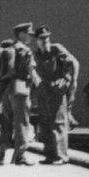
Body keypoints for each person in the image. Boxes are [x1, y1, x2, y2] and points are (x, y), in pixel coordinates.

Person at [0, 22, 40, 165]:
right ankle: (20, 155)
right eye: (29, 34)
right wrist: (39, 84)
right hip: (20, 89)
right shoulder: (25, 50)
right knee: (22, 122)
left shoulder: (6, 49)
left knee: (6, 122)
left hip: (7, 88)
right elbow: (31, 70)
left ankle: (2, 155)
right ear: (21, 34)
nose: (31, 38)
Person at [32, 26, 76, 164]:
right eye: (41, 38)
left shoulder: (57, 49)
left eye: (47, 38)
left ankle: (61, 156)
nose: (45, 40)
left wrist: (71, 81)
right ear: (36, 41)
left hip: (57, 91)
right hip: (44, 92)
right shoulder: (37, 54)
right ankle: (49, 155)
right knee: (45, 124)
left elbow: (74, 63)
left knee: (58, 123)